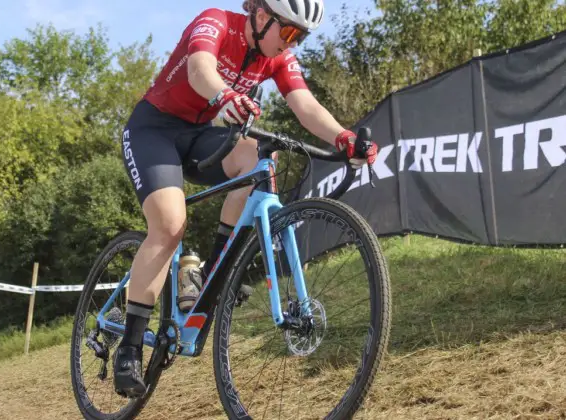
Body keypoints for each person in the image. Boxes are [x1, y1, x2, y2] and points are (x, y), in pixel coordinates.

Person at [114, 0, 378, 398]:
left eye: (300, 37)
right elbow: (199, 67)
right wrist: (224, 97)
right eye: (288, 32)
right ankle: (129, 348)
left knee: (258, 158)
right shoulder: (217, 21)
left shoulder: (276, 57)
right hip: (154, 130)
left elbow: (304, 104)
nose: (292, 43)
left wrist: (343, 136)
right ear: (261, 14)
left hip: (200, 133)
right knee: (169, 226)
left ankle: (215, 272)